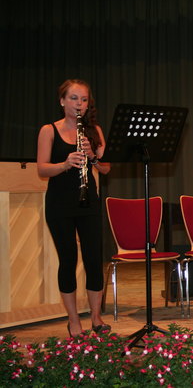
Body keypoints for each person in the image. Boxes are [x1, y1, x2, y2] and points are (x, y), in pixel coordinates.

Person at [37, 79, 111, 337]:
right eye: (73, 98)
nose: (79, 104)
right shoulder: (49, 130)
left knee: (93, 259)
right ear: (62, 101)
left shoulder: (94, 130)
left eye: (84, 99)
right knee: (67, 260)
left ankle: (96, 317)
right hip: (60, 203)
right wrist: (66, 163)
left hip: (88, 200)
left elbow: (106, 167)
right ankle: (73, 320)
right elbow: (42, 168)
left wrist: (93, 157)